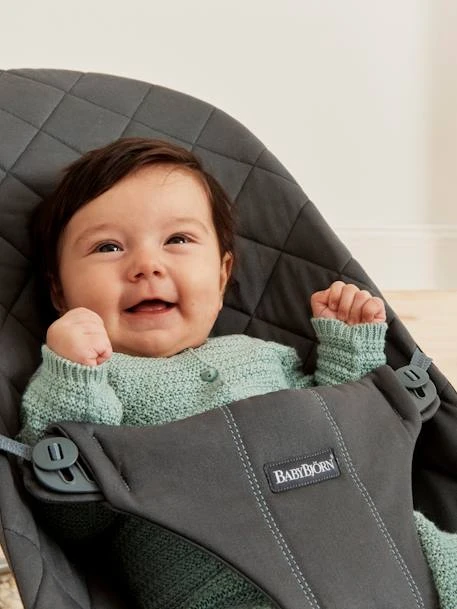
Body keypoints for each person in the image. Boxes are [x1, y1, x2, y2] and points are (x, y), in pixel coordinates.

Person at [20, 138, 455, 608]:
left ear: (222, 273)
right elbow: (74, 518)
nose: (146, 266)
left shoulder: (264, 357)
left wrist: (349, 350)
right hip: (228, 587)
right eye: (108, 247)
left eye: (177, 240)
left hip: (380, 546)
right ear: (60, 293)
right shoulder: (91, 382)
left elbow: (355, 440)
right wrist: (74, 373)